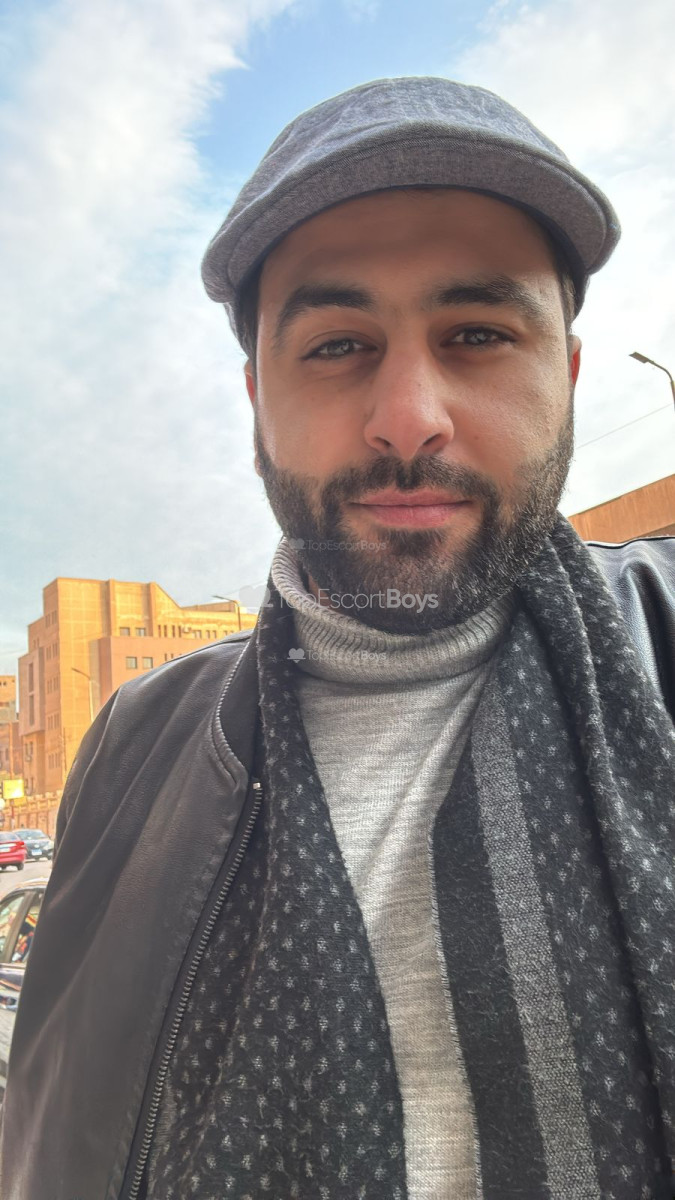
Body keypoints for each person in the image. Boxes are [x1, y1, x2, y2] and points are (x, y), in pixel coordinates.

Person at [1, 77, 673, 1200]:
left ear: (563, 374)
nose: (408, 417)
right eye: (336, 345)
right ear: (256, 396)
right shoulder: (130, 748)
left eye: (477, 334)